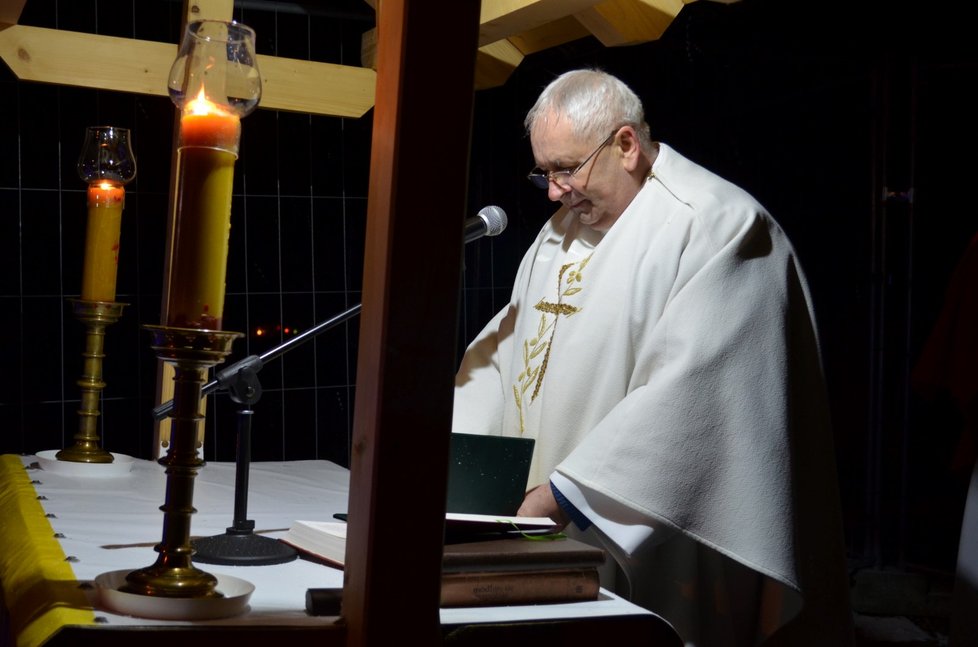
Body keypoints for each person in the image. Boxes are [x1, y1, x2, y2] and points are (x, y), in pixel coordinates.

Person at [452, 68, 854, 646]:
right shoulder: (561, 231)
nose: (553, 191)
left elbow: (697, 394)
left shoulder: (717, 224)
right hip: (539, 525)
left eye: (566, 169)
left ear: (625, 145)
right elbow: (511, 346)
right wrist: (460, 457)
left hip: (659, 535)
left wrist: (565, 494)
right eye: (544, 172)